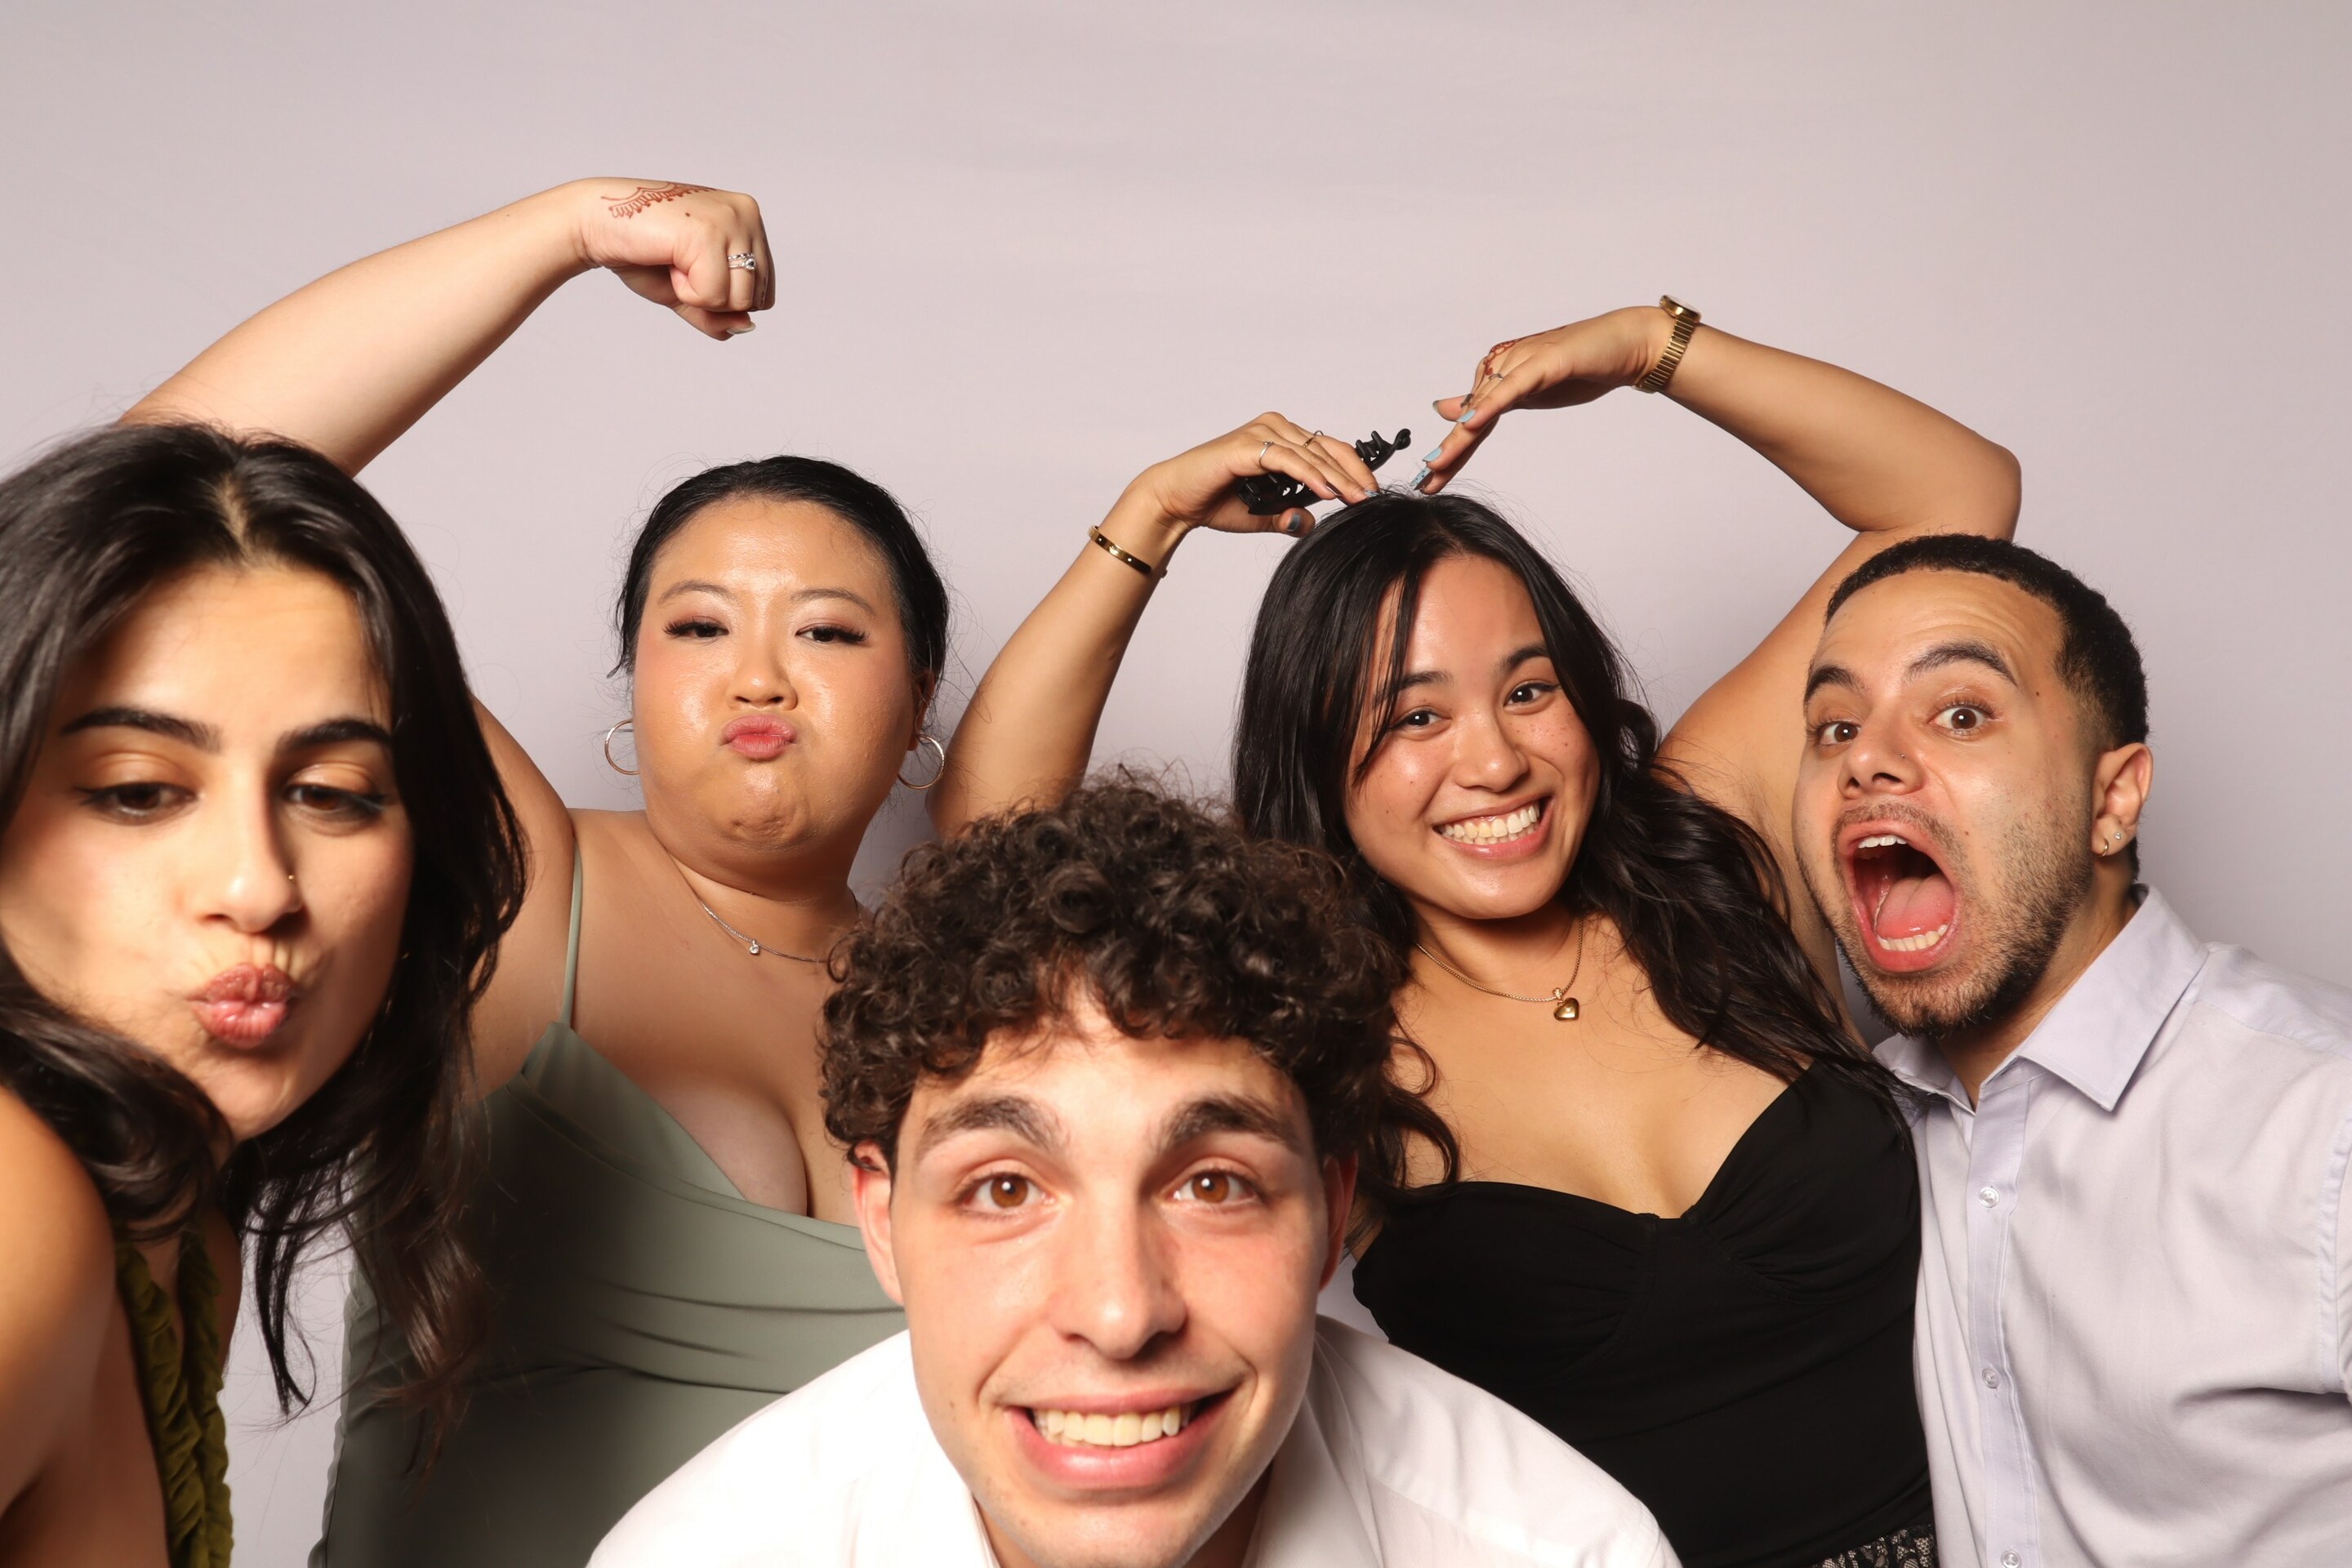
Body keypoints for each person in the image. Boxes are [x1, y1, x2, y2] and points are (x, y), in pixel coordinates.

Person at [933, 301, 2022, 1567]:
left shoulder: (1718, 852)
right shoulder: (1301, 1015)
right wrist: (1151, 516)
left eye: (1528, 690)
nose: (1495, 761)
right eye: (1414, 718)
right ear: (1318, 756)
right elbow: (987, 857)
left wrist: (1653, 350)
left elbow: (1954, 498)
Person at [131, 179, 938, 1564]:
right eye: (698, 627)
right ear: (632, 686)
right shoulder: (524, 883)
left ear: (917, 704)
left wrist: (1137, 537)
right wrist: (569, 230)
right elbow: (171, 494)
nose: (757, 677)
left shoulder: (950, 980)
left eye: (825, 632)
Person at [592, 780, 1675, 1568]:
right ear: (881, 1224)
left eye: (1214, 1185)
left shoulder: (1565, 1551)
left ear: (1333, 1208)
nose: (1119, 1316)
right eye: (1005, 1189)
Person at [0, 423, 523, 1568]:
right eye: (138, 790)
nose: (258, 887)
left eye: (332, 792)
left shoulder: (184, 1231)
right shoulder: (15, 1208)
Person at [1790, 533, 2352, 1566]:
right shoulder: (1855, 1132)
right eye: (1834, 726)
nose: (1866, 759)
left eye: (1962, 713)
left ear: (2112, 800)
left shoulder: (2324, 1127)